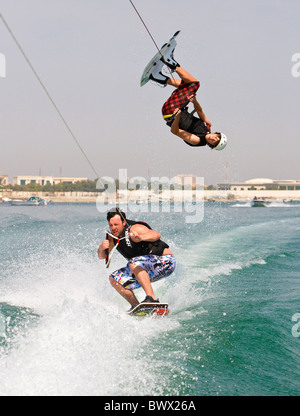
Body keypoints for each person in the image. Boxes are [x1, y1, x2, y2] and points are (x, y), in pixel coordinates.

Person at [98, 208, 176, 311]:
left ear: (123, 222)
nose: (113, 228)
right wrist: (101, 248)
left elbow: (156, 235)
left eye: (116, 225)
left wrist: (141, 238)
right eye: (111, 225)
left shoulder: (134, 228)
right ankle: (137, 307)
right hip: (145, 268)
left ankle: (152, 299)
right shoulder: (113, 237)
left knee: (133, 263)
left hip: (165, 262)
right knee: (114, 279)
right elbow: (102, 256)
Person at [151, 54, 228, 150]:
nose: (213, 138)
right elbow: (200, 111)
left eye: (214, 141)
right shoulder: (208, 125)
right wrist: (194, 101)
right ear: (217, 133)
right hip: (178, 107)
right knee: (186, 85)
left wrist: (177, 117)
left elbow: (175, 131)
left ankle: (169, 61)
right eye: (217, 137)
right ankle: (157, 76)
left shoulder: (197, 140)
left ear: (210, 145)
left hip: (171, 112)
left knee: (194, 84)